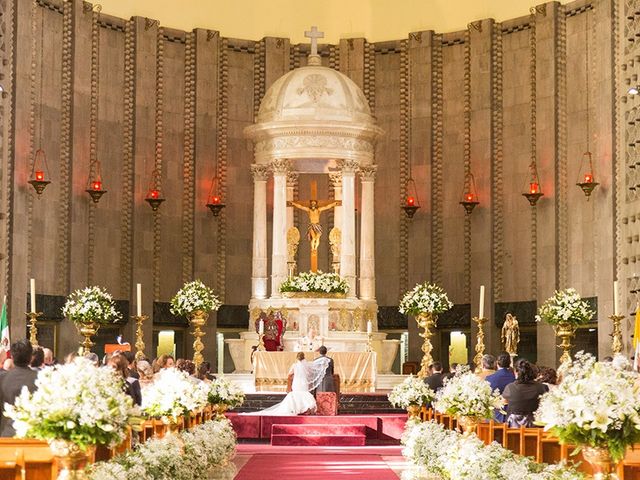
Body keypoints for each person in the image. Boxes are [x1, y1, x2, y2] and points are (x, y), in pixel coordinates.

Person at [245, 352, 318, 416]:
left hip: (297, 382)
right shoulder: (306, 365)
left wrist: (289, 385)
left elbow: (289, 375)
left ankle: (296, 409)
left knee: (296, 394)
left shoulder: (294, 365)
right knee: (304, 393)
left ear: (297, 358)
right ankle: (305, 409)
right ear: (304, 357)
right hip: (303, 382)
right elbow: (310, 373)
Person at [0, 340, 38, 436]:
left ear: (12, 357)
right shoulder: (41, 378)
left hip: (7, 433)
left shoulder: (2, 378)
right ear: (31, 358)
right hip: (33, 433)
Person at [502, 359, 548, 428]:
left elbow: (504, 402)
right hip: (535, 428)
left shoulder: (510, 388)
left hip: (513, 429)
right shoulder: (542, 387)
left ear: (516, 372)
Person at [486, 353, 515, 422]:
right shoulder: (514, 378)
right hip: (511, 415)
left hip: (494, 415)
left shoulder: (489, 378)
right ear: (510, 363)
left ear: (497, 363)